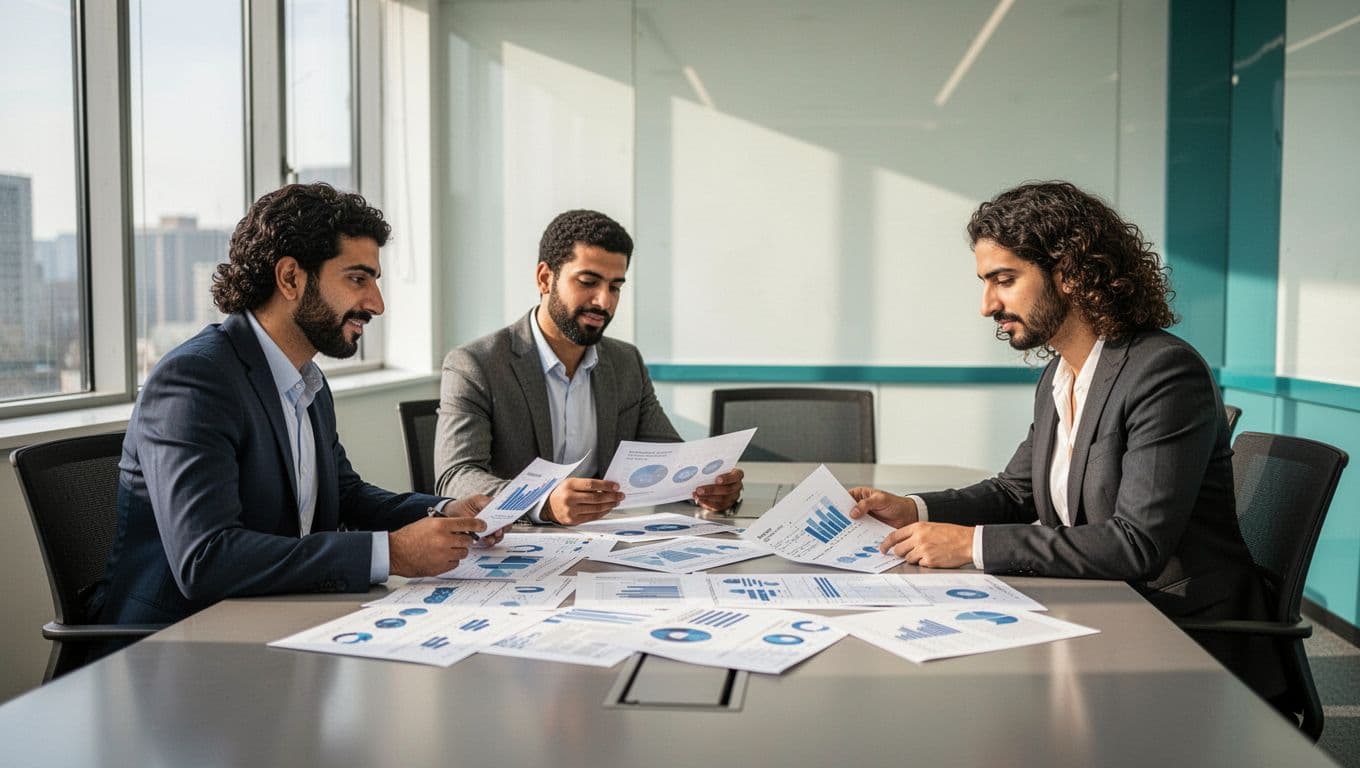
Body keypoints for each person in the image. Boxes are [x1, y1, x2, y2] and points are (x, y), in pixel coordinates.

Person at [848, 181, 1284, 700]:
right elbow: (1017, 491)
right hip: (1102, 608)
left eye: (1003, 280)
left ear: (1071, 273)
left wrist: (971, 544)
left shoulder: (1163, 372)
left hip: (1179, 634)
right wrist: (914, 510)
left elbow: (1135, 543)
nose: (987, 305)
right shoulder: (1062, 374)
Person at [92, 183, 498, 627]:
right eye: (357, 279)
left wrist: (442, 511)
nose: (376, 305)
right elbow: (206, 558)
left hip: (280, 619)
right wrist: (392, 552)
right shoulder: (195, 381)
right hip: (179, 645)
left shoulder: (307, 380)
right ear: (290, 278)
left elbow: (344, 495)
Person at [434, 209, 743, 525]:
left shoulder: (626, 363)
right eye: (588, 281)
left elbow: (672, 461)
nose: (603, 301)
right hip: (512, 543)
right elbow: (456, 477)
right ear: (544, 278)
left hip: (604, 542)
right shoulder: (476, 365)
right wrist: (542, 503)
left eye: (615, 287)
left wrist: (709, 488)